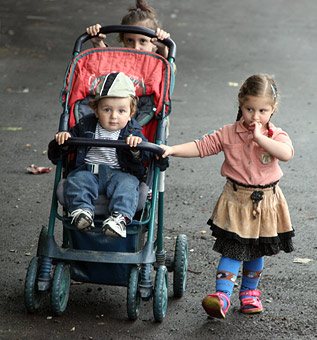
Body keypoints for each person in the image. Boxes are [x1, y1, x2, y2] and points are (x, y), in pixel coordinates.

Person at [160, 74, 295, 318]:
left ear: (273, 109)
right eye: (249, 109)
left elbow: (286, 154)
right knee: (233, 249)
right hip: (236, 201)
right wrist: (172, 150)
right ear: (240, 105)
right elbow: (201, 146)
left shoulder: (276, 135)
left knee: (257, 249)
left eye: (262, 110)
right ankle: (221, 296)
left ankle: (249, 294)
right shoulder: (228, 133)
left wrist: (260, 138)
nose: (255, 116)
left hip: (267, 202)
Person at [55, 72, 150, 238]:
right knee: (78, 180)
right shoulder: (85, 126)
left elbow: (146, 157)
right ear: (96, 111)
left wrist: (137, 148)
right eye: (107, 110)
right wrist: (64, 143)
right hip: (88, 171)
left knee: (128, 185)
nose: (114, 116)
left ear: (131, 113)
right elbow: (58, 156)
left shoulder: (133, 132)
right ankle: (82, 212)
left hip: (120, 173)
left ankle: (119, 219)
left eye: (121, 111)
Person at [86, 0, 171, 59]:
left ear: (154, 43)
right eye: (130, 40)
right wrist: (97, 43)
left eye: (143, 41)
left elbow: (167, 72)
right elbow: (106, 62)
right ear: (122, 40)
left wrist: (163, 48)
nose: (136, 47)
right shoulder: (120, 60)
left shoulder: (155, 64)